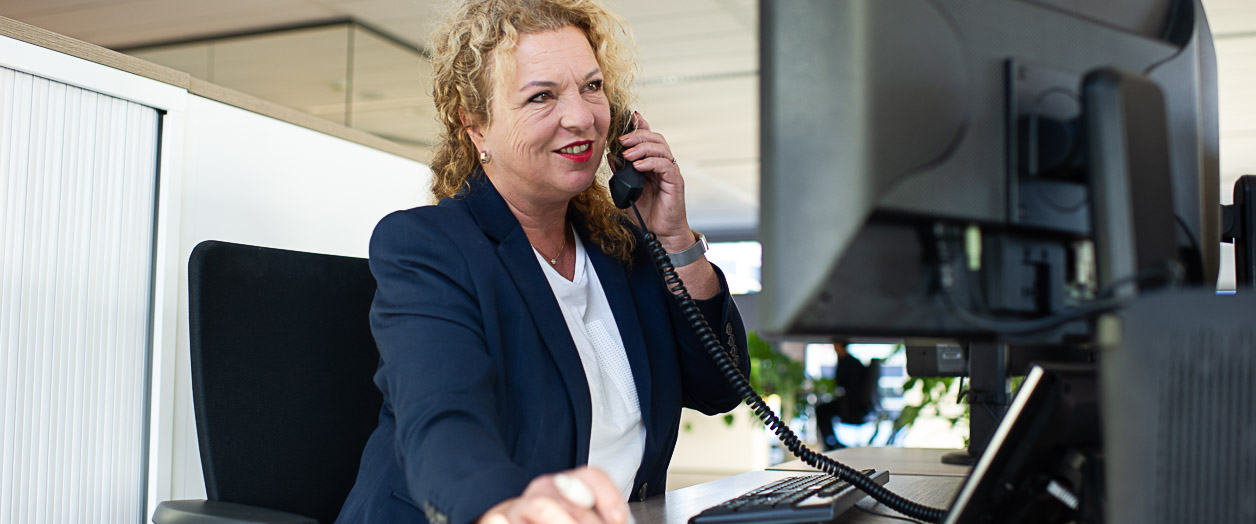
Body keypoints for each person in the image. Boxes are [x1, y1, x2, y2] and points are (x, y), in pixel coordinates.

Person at [334, 1, 750, 523]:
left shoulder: (623, 248)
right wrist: (503, 506)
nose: (581, 117)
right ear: (476, 126)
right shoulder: (429, 246)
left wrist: (674, 238)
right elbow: (442, 413)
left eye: (592, 87)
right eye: (541, 96)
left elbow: (721, 388)